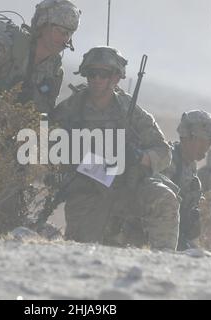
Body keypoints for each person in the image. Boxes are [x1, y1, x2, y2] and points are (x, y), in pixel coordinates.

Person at [50, 46, 180, 250]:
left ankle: (163, 259)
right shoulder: (71, 109)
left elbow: (164, 152)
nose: (97, 79)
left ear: (116, 78)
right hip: (87, 191)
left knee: (163, 196)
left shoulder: (129, 110)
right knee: (82, 249)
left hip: (128, 187)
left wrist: (138, 157)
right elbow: (51, 151)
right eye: (92, 73)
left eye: (104, 74)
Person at [0, 0, 81, 113]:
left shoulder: (54, 72)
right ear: (42, 25)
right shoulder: (3, 46)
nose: (64, 38)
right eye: (58, 30)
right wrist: (6, 114)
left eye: (68, 33)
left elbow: (45, 112)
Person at [162, 110, 211, 250]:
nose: (205, 147)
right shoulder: (167, 160)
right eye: (201, 141)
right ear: (185, 137)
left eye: (208, 142)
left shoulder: (190, 166)